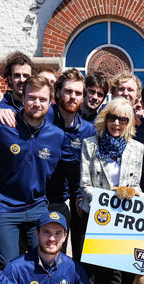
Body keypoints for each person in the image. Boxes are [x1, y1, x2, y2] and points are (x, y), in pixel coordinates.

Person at [78, 97, 144, 284]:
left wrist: (138, 197)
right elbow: (84, 184)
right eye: (112, 117)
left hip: (121, 218)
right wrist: (108, 197)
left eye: (122, 119)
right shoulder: (89, 144)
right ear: (105, 118)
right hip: (96, 214)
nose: (117, 123)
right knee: (93, 269)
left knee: (116, 270)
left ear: (129, 123)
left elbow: (134, 185)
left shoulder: (137, 149)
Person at [0, 75, 64, 268]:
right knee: (10, 266)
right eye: (32, 97)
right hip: (4, 208)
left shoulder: (57, 135)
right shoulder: (2, 125)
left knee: (44, 262)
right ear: (23, 98)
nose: (37, 103)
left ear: (50, 102)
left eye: (43, 99)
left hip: (37, 206)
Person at [45, 69, 96, 254]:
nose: (72, 96)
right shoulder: (43, 118)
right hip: (42, 198)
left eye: (78, 93)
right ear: (58, 92)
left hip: (76, 199)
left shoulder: (88, 130)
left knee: (80, 250)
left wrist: (81, 194)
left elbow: (89, 167)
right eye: (68, 91)